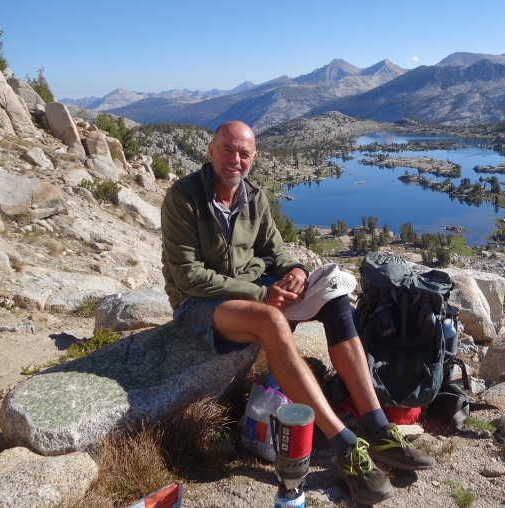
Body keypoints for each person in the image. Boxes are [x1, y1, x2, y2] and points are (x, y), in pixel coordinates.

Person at [160, 120, 434, 505]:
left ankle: (377, 426)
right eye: (227, 150)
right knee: (271, 319)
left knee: (335, 292)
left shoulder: (252, 196)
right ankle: (344, 446)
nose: (235, 159)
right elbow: (188, 277)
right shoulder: (183, 198)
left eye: (244, 153)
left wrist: (297, 271)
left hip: (253, 292)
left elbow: (278, 251)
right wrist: (260, 293)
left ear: (253, 158)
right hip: (200, 304)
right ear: (210, 150)